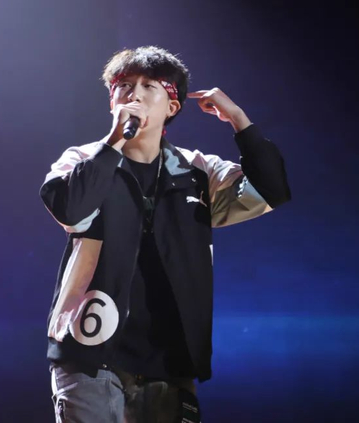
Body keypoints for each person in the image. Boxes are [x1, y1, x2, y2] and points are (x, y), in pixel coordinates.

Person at [39, 46, 291, 423]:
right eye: (124, 85)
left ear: (172, 106)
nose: (134, 94)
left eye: (148, 86)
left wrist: (239, 120)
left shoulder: (197, 170)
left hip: (170, 359)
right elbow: (71, 210)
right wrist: (115, 140)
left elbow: (271, 191)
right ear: (111, 101)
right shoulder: (82, 159)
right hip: (90, 351)